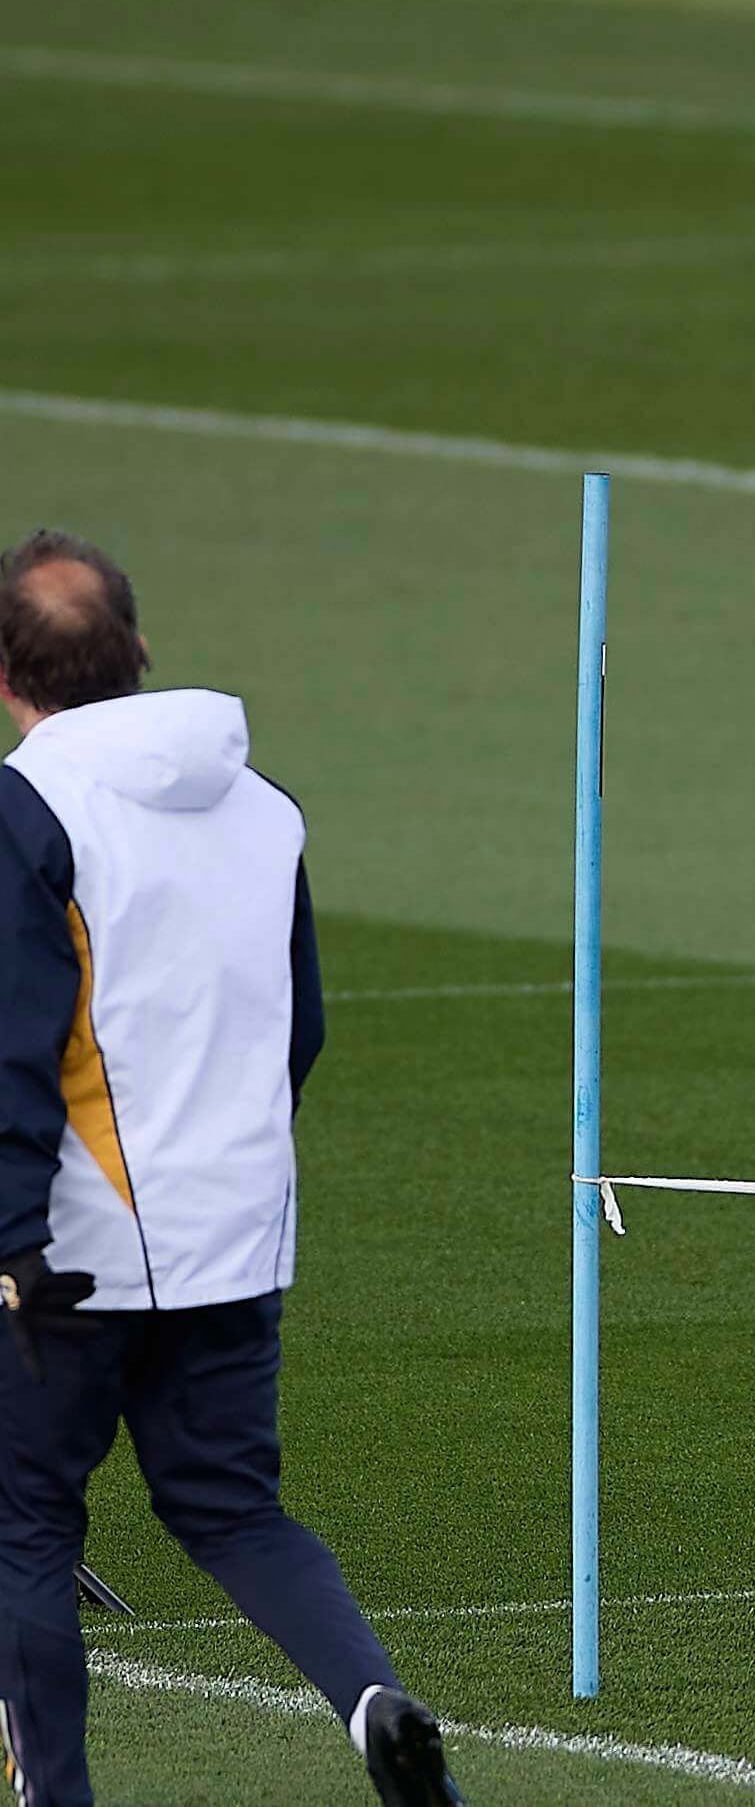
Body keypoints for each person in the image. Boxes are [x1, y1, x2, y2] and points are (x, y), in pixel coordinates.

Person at [0, 531, 460, 1804]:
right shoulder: (265, 809)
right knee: (233, 1512)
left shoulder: (26, 811)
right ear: (139, 650)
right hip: (234, 1237)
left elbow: (15, 1039)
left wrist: (8, 1239)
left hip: (70, 1258)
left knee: (26, 1530)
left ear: (4, 674)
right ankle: (371, 1702)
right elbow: (294, 1029)